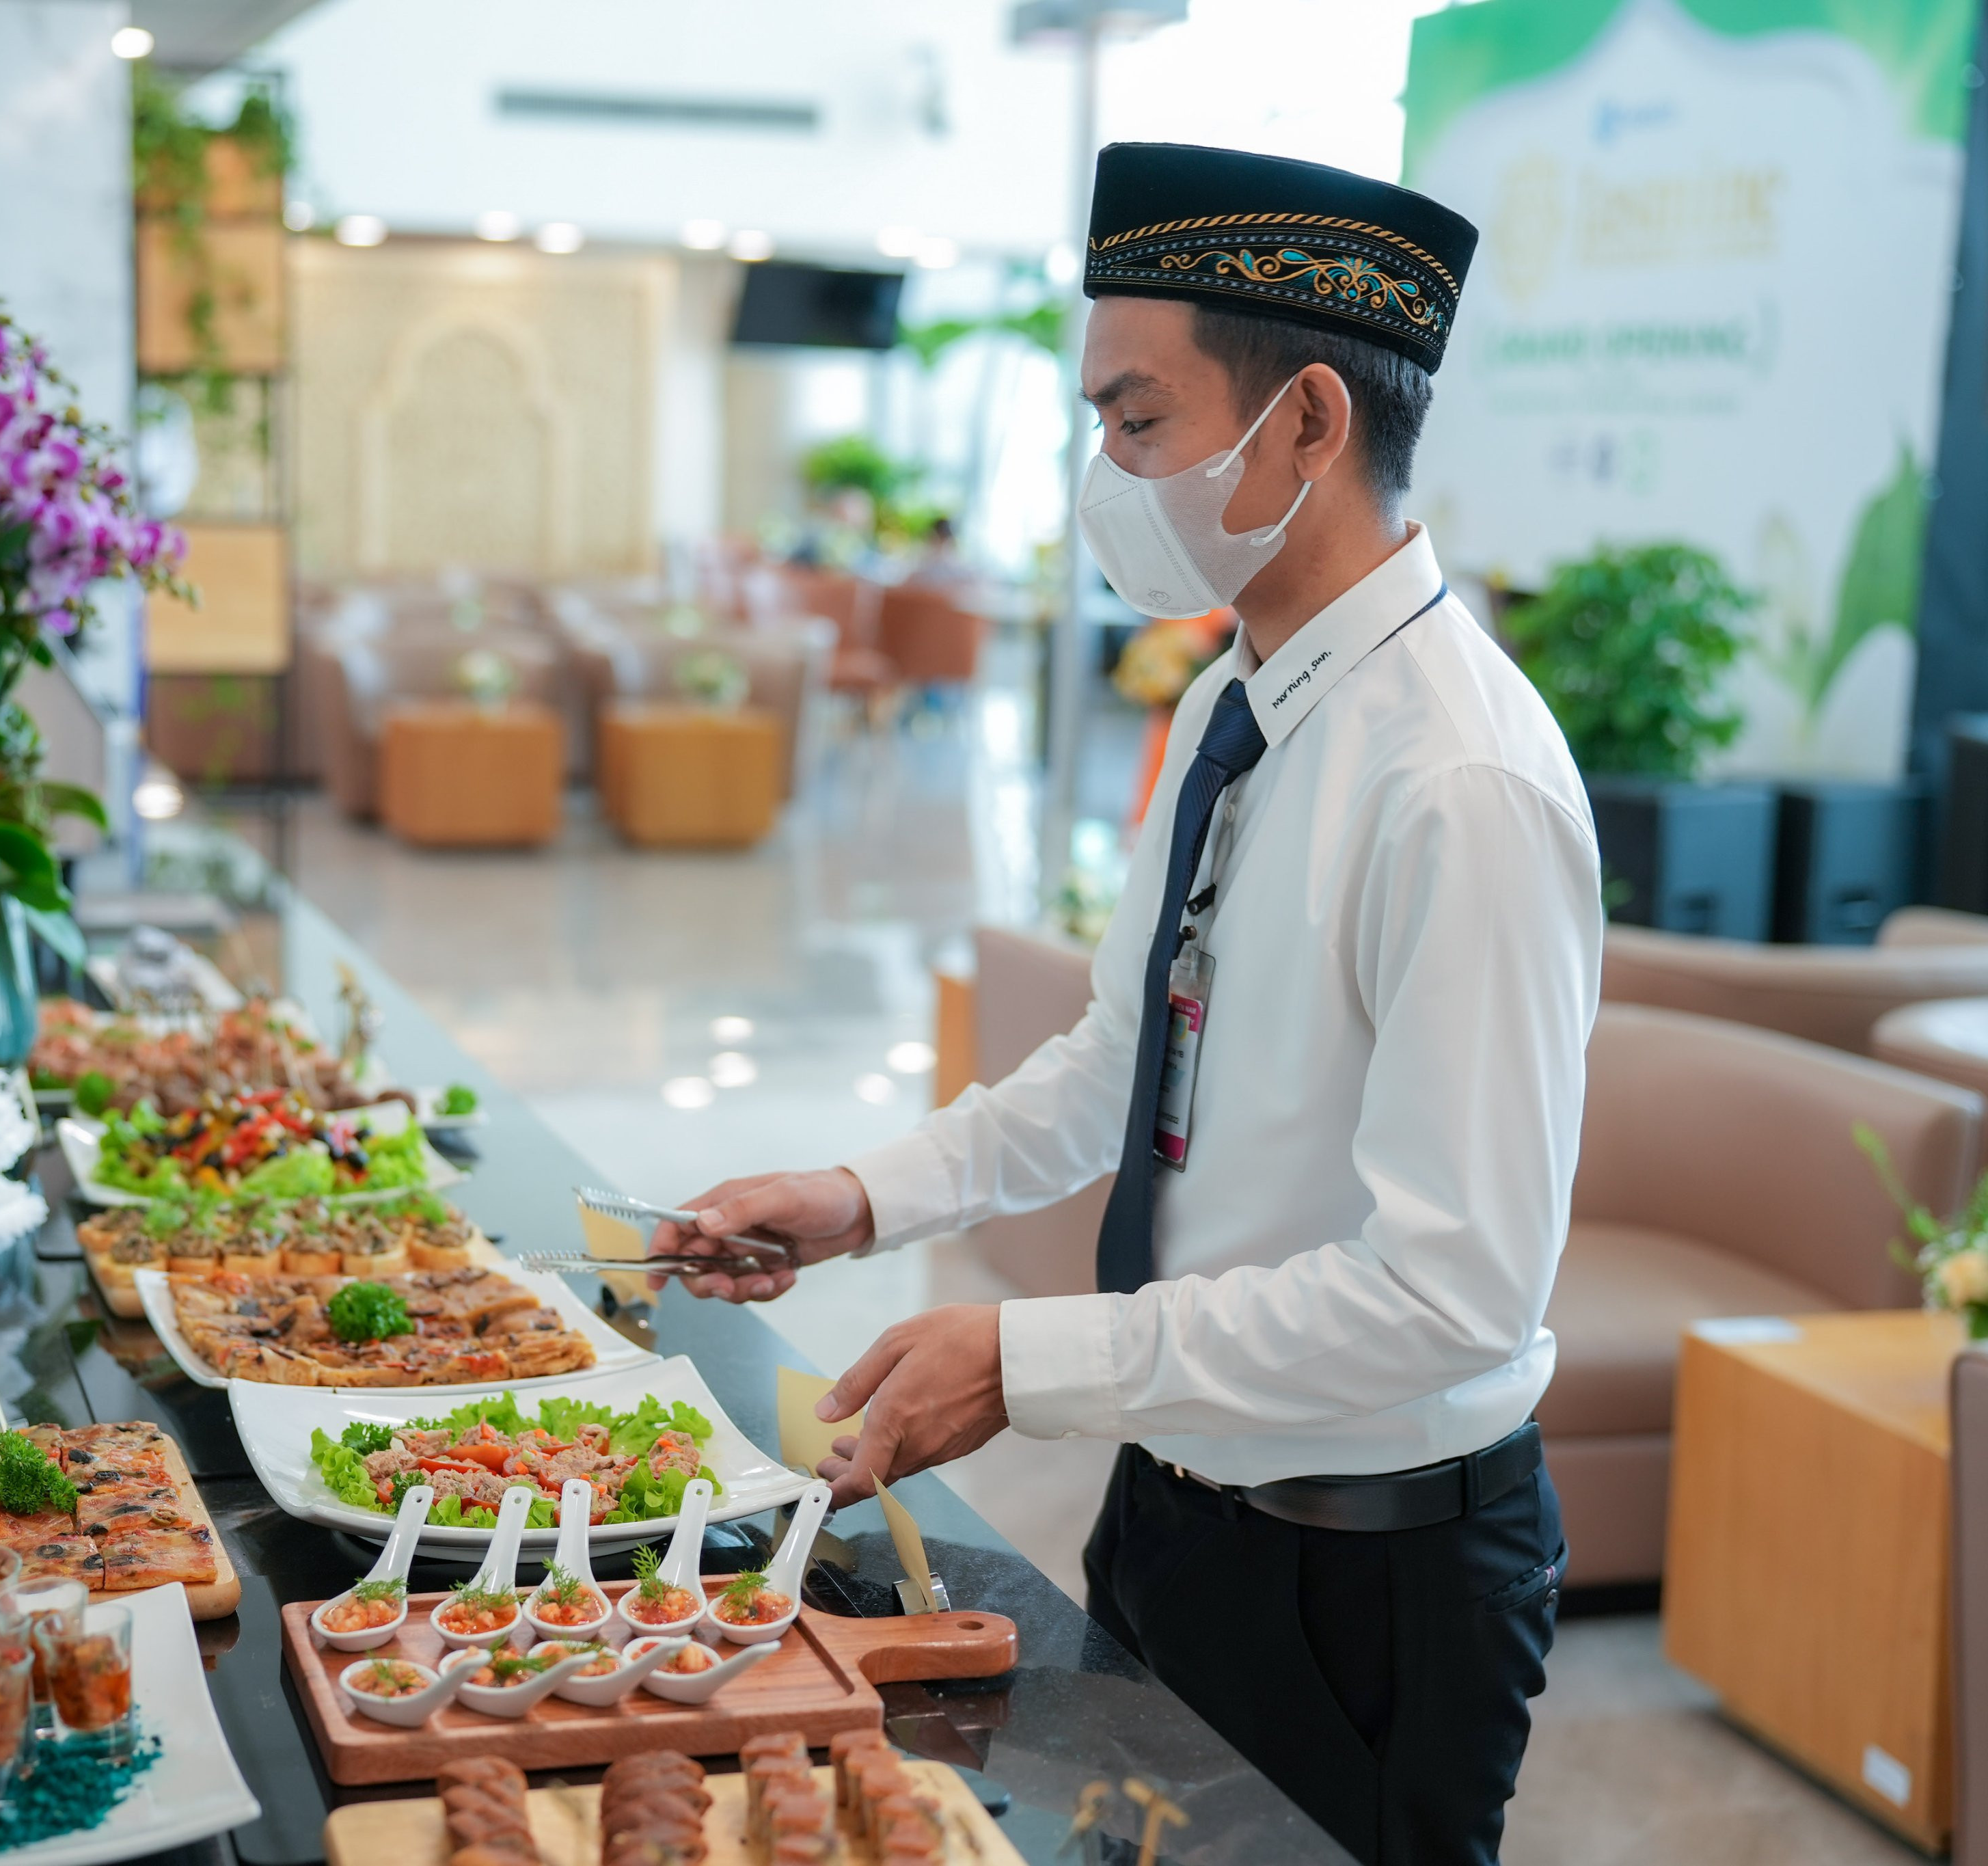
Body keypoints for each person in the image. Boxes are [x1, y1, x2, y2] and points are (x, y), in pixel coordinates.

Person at [653, 142, 1601, 1866]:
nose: (1107, 474)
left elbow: (1452, 1293)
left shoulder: (1455, 781)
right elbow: (1124, 1059)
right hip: (1172, 1504)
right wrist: (863, 1197)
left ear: (1305, 421)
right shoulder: (1242, 698)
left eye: (1137, 420)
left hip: (1367, 1572)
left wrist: (1028, 1361)